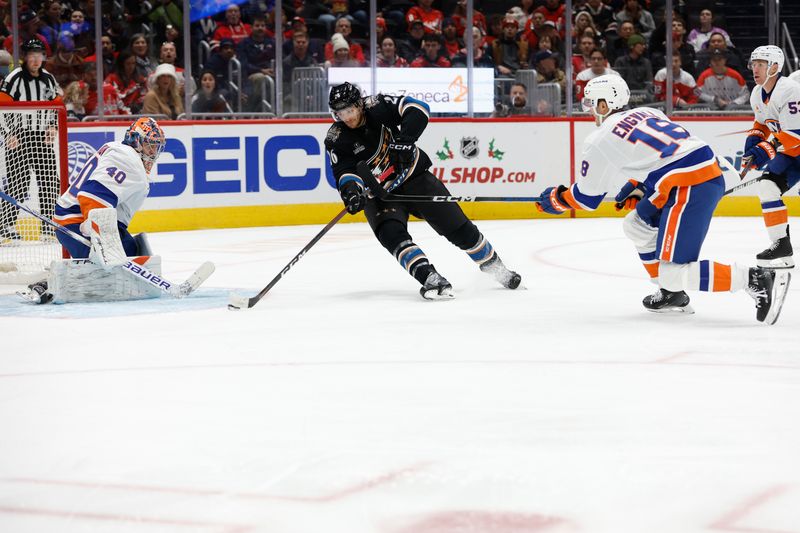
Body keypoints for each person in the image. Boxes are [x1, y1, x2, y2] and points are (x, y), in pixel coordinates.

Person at [534, 75, 790, 324]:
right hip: (694, 174)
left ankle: (754, 278)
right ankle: (671, 295)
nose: (589, 111)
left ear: (604, 104)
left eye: (591, 104)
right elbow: (666, 152)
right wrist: (638, 184)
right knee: (636, 225)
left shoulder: (599, 139)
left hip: (688, 184)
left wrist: (556, 199)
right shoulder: (650, 113)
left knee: (673, 272)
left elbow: (586, 199)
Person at [323, 82, 521, 300]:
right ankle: (429, 277)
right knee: (391, 235)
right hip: (381, 195)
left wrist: (406, 140)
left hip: (413, 177)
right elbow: (344, 171)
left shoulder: (377, 106)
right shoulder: (336, 138)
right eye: (340, 113)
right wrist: (351, 192)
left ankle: (496, 268)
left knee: (458, 229)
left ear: (359, 105)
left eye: (349, 110)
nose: (347, 118)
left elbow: (417, 108)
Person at [20, 118, 167, 304]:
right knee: (110, 271)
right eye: (149, 145)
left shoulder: (117, 149)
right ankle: (50, 284)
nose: (153, 153)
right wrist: (101, 237)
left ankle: (53, 281)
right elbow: (92, 195)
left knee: (131, 249)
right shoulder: (127, 159)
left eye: (156, 147)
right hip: (78, 224)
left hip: (78, 220)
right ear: (135, 140)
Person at [741, 45, 800, 269]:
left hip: (795, 145)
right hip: (793, 154)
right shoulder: (757, 92)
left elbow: (796, 134)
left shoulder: (791, 90)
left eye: (760, 65)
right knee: (767, 187)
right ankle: (781, 246)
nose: (755, 69)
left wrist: (765, 149)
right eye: (753, 64)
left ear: (774, 67)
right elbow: (762, 123)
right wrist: (754, 141)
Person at [0, 38, 61, 241]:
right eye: (32, 55)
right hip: (18, 137)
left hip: (41, 138)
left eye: (39, 55)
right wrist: (8, 133)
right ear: (24, 58)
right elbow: (1, 108)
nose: (36, 59)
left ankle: (47, 226)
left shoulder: (49, 79)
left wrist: (52, 126)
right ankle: (4, 227)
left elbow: (55, 106)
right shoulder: (14, 78)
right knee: (19, 183)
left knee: (50, 181)